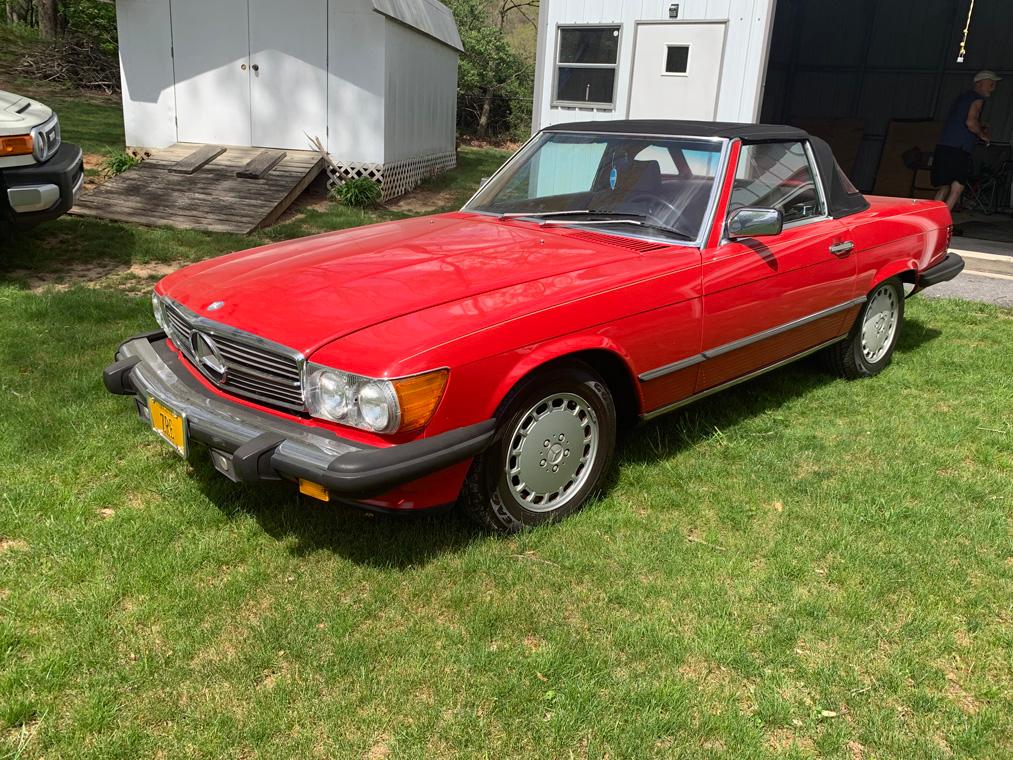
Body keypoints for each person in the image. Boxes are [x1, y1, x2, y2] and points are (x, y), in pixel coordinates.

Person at [931, 70, 1001, 210]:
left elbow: (963, 121)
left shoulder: (963, 98)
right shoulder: (977, 98)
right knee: (958, 186)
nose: (993, 88)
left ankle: (932, 218)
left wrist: (980, 125)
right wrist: (982, 134)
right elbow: (970, 123)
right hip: (959, 148)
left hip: (944, 146)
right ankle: (944, 222)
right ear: (980, 83)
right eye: (991, 84)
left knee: (945, 186)